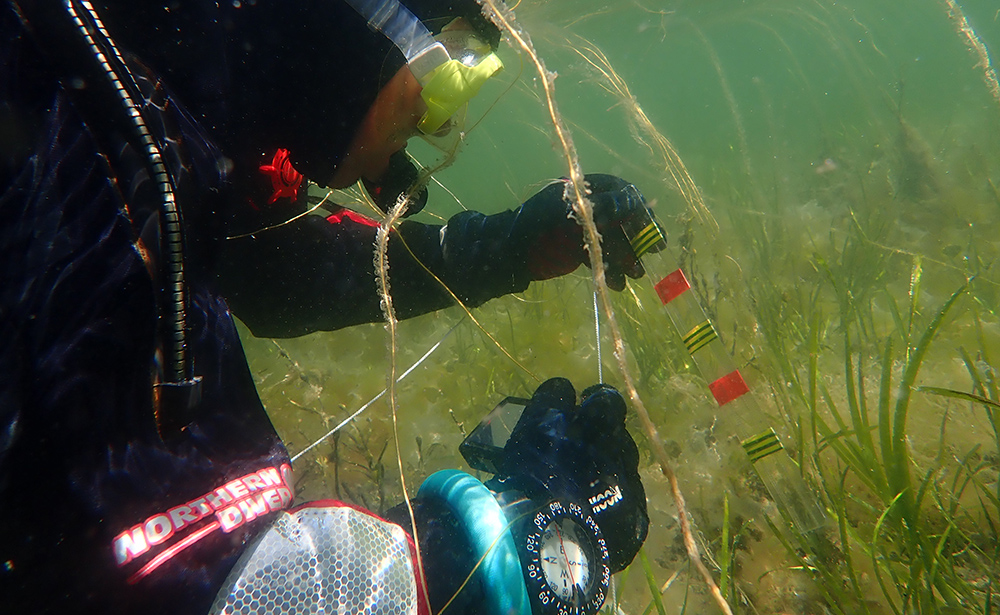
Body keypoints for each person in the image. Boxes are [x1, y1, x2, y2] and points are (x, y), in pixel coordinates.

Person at [0, 1, 649, 613]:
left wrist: (507, 247)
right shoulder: (85, 156)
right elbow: (183, 589)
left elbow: (268, 267)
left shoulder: (137, 96)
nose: (442, 125)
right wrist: (514, 544)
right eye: (453, 69)